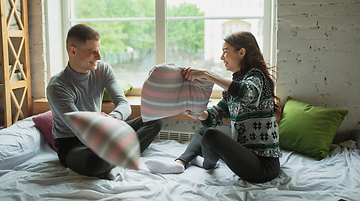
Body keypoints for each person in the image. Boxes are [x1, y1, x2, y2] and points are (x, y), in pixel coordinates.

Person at [145, 31, 282, 183]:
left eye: (225, 52)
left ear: (241, 52)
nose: (221, 58)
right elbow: (212, 118)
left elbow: (246, 92)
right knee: (204, 131)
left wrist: (207, 74)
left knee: (212, 136)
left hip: (264, 166)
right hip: (245, 156)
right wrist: (195, 112)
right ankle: (180, 163)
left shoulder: (257, 77)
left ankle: (206, 163)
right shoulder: (233, 87)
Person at [47, 24, 162, 180]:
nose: (99, 57)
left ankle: (116, 161)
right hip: (74, 144)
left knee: (154, 120)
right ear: (72, 51)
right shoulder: (57, 86)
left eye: (99, 50)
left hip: (107, 130)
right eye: (92, 52)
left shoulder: (103, 70)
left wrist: (113, 118)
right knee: (96, 162)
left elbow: (123, 104)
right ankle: (119, 159)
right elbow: (81, 129)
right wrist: (105, 127)